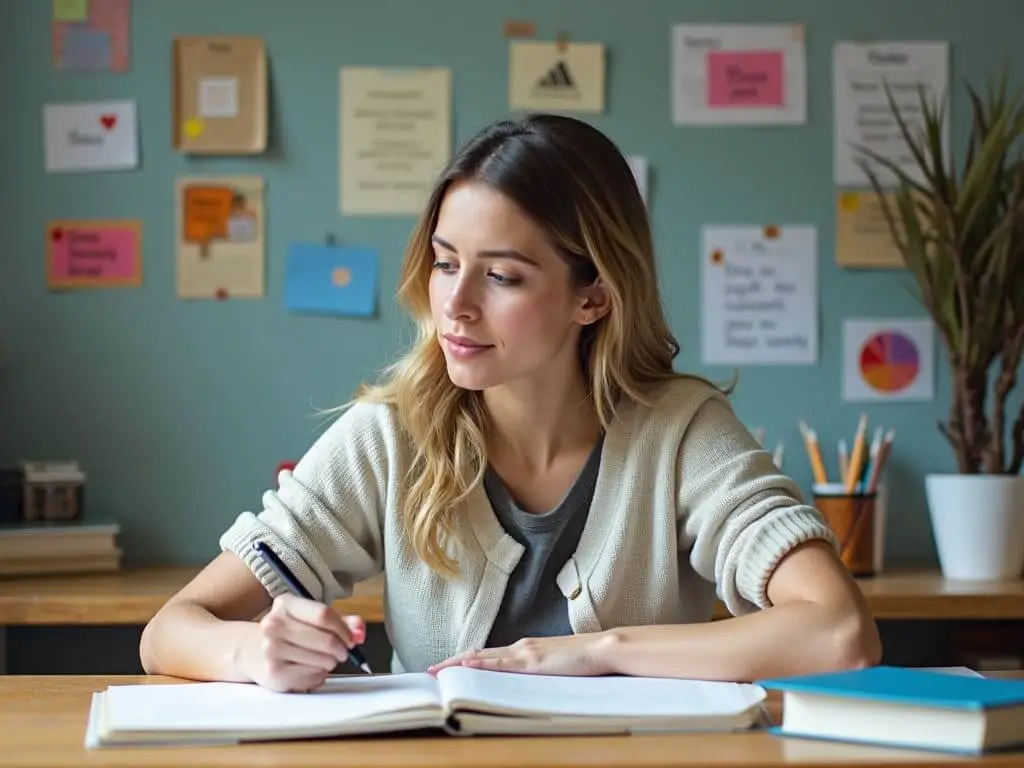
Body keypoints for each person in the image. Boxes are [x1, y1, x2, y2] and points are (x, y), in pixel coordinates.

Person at [140, 114, 881, 693]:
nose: (454, 305)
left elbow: (839, 634)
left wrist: (598, 652)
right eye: (444, 263)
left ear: (592, 295)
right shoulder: (389, 436)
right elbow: (169, 631)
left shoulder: (682, 435)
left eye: (502, 276)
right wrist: (251, 649)